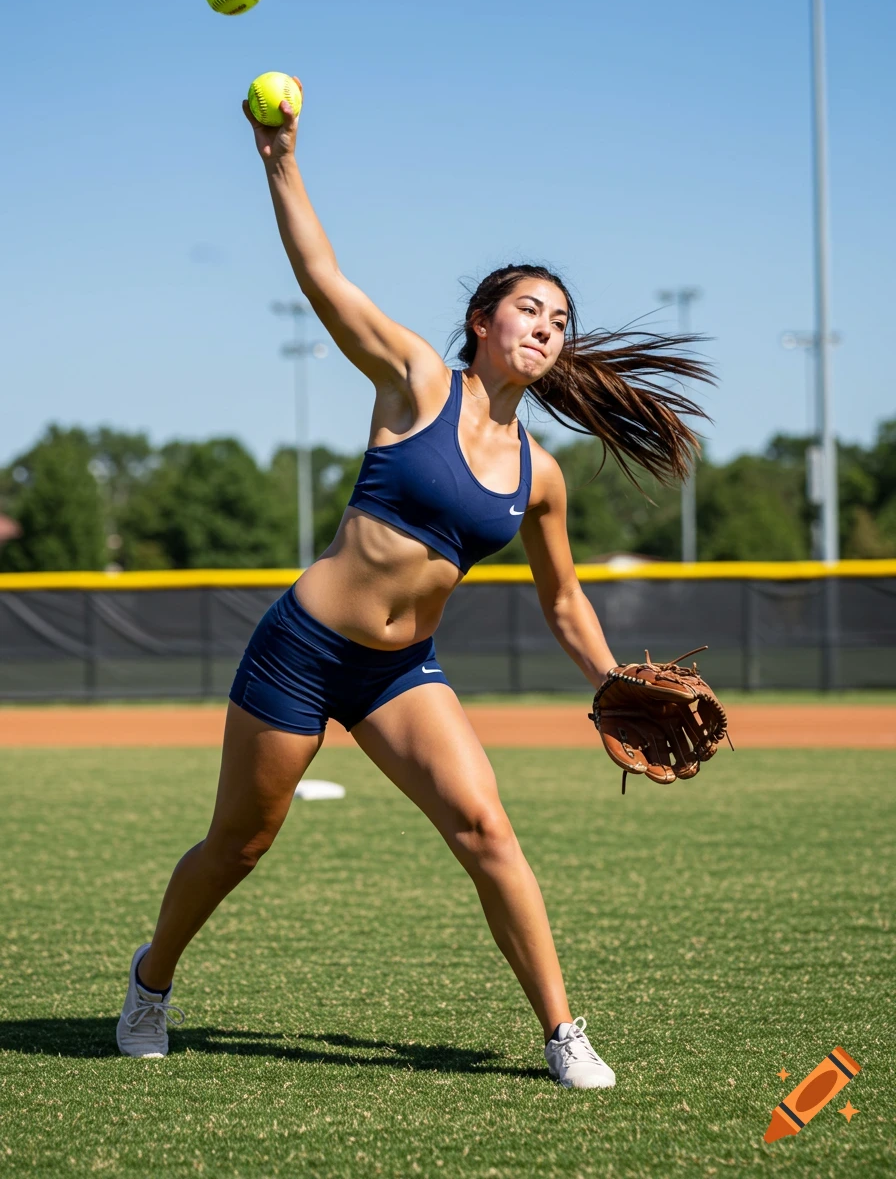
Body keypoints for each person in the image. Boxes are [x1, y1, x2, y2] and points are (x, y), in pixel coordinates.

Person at [116, 80, 711, 1088]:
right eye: (529, 307)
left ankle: (561, 1031)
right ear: (481, 321)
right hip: (302, 650)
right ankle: (150, 980)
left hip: (402, 673)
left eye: (560, 319)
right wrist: (280, 159)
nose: (547, 325)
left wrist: (612, 673)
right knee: (238, 843)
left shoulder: (538, 473)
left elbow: (561, 600)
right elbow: (321, 274)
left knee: (485, 827)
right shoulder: (413, 383)